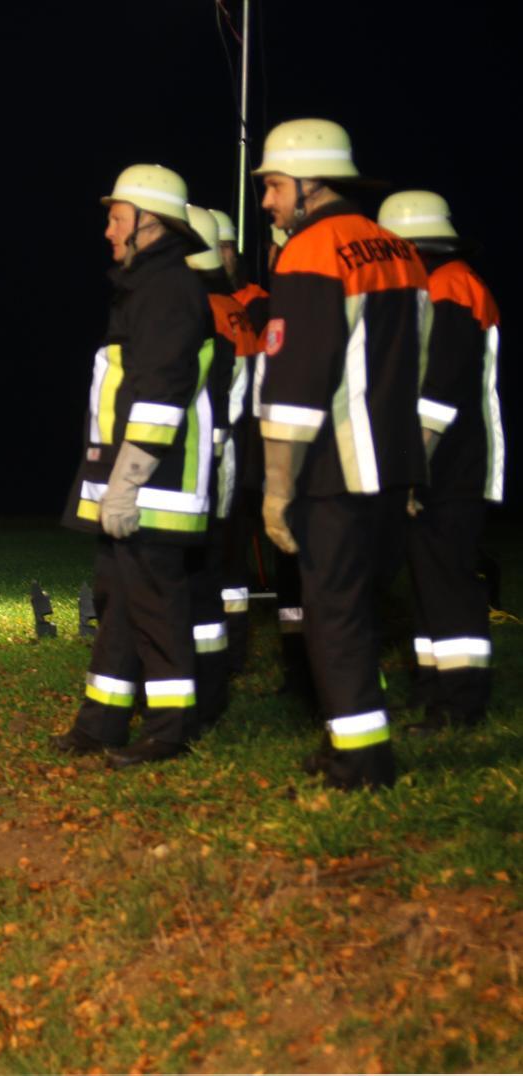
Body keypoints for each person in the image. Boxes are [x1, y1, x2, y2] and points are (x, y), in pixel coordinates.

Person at [253, 119, 430, 789]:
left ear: (308, 183)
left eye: (272, 186)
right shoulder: (400, 250)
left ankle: (360, 759)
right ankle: (353, 740)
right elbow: (413, 366)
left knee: (334, 615)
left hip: (331, 470)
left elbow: (294, 383)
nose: (266, 202)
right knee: (359, 609)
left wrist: (276, 485)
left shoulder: (308, 251)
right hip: (390, 467)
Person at [54, 164, 215, 768]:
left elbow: (160, 394)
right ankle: (101, 724)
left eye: (116, 218)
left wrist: (127, 481)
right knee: (118, 604)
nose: (107, 231)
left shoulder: (168, 289)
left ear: (149, 223)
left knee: (155, 606)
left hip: (156, 485)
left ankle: (172, 732)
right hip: (132, 482)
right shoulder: (147, 287)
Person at [378, 190, 504, 729]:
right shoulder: (442, 285)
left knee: (448, 585)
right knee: (429, 582)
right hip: (441, 466)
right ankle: (435, 691)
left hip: (450, 468)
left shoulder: (450, 287)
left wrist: (414, 465)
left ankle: (460, 703)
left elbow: (439, 391)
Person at [184, 203, 255, 727]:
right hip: (222, 452)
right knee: (219, 570)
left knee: (216, 565)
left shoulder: (227, 308)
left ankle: (224, 659)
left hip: (216, 454)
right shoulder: (224, 306)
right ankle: (222, 658)